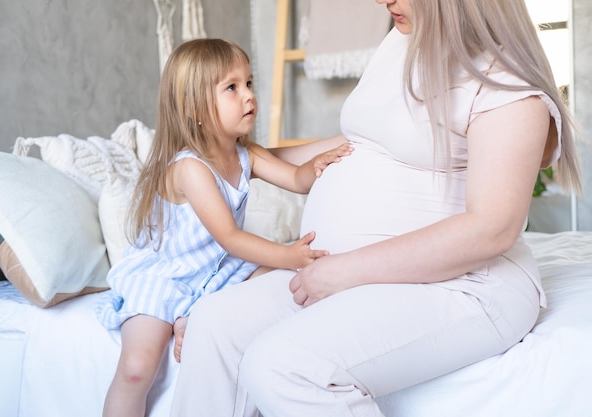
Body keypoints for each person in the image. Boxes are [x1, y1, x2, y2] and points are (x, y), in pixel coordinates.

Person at [169, 0, 582, 416]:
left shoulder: (505, 83)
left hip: (463, 286)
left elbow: (492, 229)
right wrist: (231, 160)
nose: (385, 1)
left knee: (283, 366)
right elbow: (359, 145)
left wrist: (345, 271)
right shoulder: (403, 42)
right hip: (358, 271)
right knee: (213, 323)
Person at [94, 38, 352, 417]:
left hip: (216, 270)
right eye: (231, 88)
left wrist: (322, 162)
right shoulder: (191, 168)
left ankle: (191, 320)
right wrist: (288, 253)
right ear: (195, 106)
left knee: (288, 288)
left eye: (249, 84)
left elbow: (296, 179)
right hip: (168, 277)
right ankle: (181, 319)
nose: (248, 96)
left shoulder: (245, 155)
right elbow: (230, 238)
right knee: (136, 369)